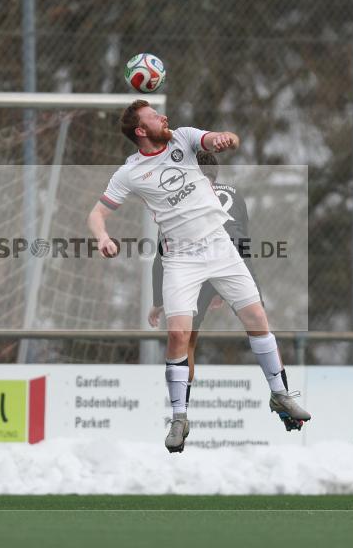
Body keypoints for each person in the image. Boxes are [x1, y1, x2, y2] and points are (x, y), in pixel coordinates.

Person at [87, 100, 310, 453]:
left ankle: (280, 396)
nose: (163, 117)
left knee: (257, 319)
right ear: (141, 131)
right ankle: (179, 418)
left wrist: (225, 138)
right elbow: (97, 213)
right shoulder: (129, 172)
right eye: (153, 117)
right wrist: (101, 236)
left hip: (220, 247)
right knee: (178, 335)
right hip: (181, 260)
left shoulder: (184, 138)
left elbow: (225, 139)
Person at [147, 151, 261, 386]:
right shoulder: (235, 194)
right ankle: (280, 390)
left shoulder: (175, 200)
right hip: (234, 259)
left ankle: (182, 409)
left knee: (185, 340)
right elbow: (242, 240)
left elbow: (162, 255)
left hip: (191, 264)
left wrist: (159, 300)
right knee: (260, 326)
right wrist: (222, 287)